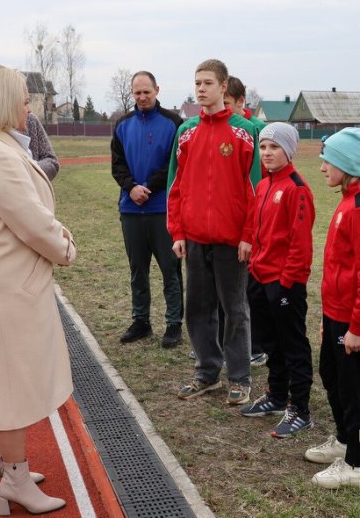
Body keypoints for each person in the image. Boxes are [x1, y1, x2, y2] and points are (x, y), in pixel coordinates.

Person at [0, 64, 76, 515]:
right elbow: (32, 222)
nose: (29, 105)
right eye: (24, 98)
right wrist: (66, 247)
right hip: (6, 287)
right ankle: (16, 480)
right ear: (4, 102)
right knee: (11, 386)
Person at [167, 58, 261, 405]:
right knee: (198, 307)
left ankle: (239, 377)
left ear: (224, 87)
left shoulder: (243, 132)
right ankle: (206, 372)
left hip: (232, 240)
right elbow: (174, 186)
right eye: (197, 83)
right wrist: (177, 231)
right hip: (193, 237)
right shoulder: (186, 131)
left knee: (234, 308)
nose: (201, 89)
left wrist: (248, 235)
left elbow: (254, 189)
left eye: (207, 83)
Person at [304, 127, 360, 488]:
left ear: (346, 164)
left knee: (354, 390)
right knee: (331, 376)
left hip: (352, 321)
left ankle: (357, 462)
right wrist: (328, 318)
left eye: (328, 159)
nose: (322, 166)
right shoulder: (347, 200)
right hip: (336, 315)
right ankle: (343, 440)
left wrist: (357, 327)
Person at [240, 123, 316, 439]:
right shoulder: (264, 185)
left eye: (274, 147)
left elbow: (300, 245)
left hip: (283, 283)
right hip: (259, 275)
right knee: (270, 343)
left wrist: (288, 283)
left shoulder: (297, 189)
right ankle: (276, 395)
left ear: (288, 150)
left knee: (292, 346)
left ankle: (300, 410)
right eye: (263, 147)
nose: (267, 153)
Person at [111, 71, 184, 348]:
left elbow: (174, 164)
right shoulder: (122, 125)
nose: (142, 97)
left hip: (162, 209)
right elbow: (117, 164)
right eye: (137, 93)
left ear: (157, 90)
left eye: (147, 92)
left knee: (170, 269)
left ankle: (174, 324)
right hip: (131, 209)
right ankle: (141, 320)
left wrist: (148, 188)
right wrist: (131, 187)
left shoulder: (173, 123)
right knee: (137, 270)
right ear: (132, 93)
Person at [223, 75, 268, 366]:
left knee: (253, 287)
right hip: (232, 221)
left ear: (241, 103)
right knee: (230, 287)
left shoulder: (259, 132)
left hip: (258, 219)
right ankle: (226, 342)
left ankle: (257, 346)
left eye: (226, 104)